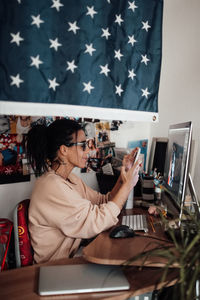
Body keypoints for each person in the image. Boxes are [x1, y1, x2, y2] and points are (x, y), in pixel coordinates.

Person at [26, 118, 140, 264]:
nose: (88, 150)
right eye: (82, 146)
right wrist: (128, 185)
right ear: (64, 150)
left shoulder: (69, 179)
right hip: (56, 269)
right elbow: (96, 221)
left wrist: (124, 175)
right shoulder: (51, 187)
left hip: (71, 258)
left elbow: (103, 201)